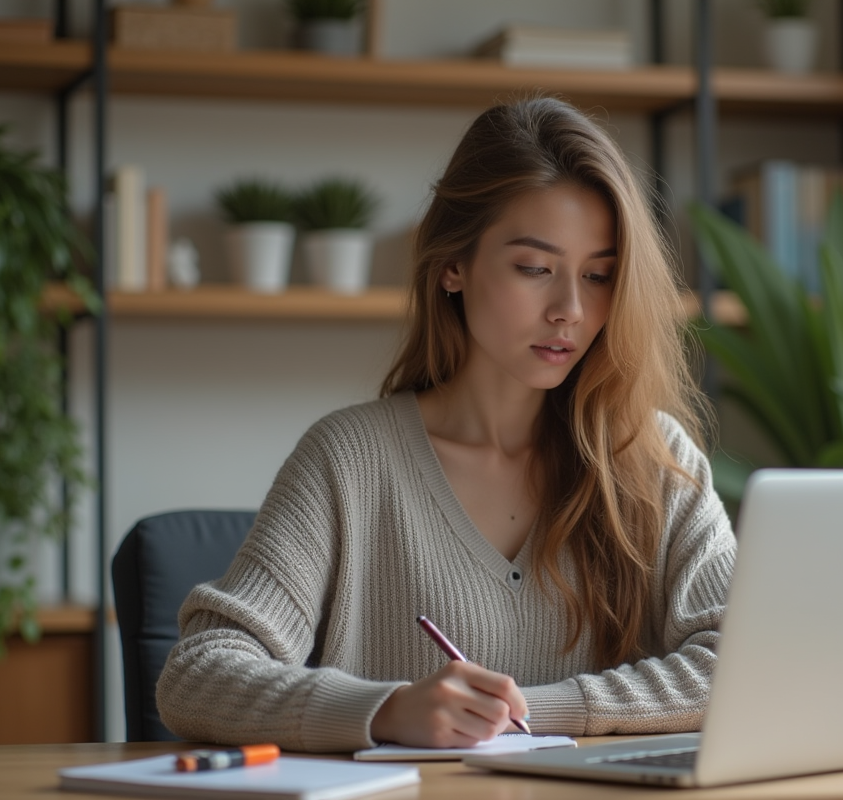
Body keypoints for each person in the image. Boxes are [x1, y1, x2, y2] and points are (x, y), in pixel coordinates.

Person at [156, 96, 736, 753]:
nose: (570, 309)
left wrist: (535, 713)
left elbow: (744, 661)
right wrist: (386, 712)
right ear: (453, 265)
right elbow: (198, 675)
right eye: (535, 269)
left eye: (599, 275)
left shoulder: (653, 455)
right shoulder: (348, 460)